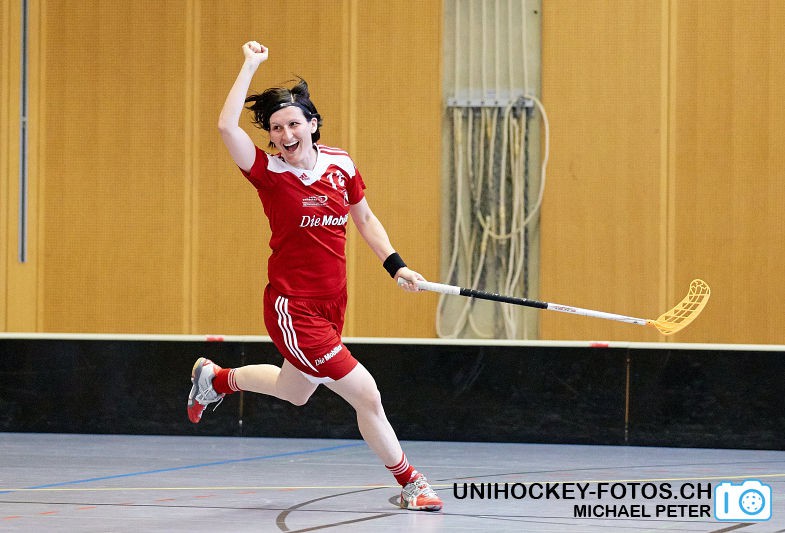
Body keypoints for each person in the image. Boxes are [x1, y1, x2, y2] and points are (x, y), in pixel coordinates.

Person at [187, 40, 442, 512]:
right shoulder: (268, 172)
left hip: (332, 302)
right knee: (367, 393)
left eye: (293, 123)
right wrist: (249, 64)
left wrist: (397, 266)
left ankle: (216, 379)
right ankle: (411, 483)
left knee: (295, 392)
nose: (285, 133)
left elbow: (364, 219)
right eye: (277, 127)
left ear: (312, 124)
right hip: (293, 306)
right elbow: (225, 125)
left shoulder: (340, 164)